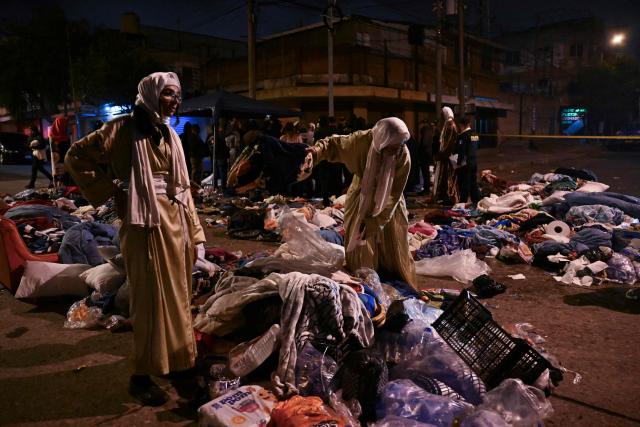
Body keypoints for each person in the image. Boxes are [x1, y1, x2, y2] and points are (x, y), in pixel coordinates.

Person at [65, 72, 205, 406]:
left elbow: (182, 189)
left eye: (177, 95)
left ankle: (180, 366)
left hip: (177, 224)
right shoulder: (122, 129)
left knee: (179, 297)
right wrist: (112, 192)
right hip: (144, 226)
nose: (175, 100)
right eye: (169, 94)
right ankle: (140, 376)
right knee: (149, 302)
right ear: (151, 94)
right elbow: (75, 156)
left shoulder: (171, 134)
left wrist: (196, 232)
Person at [307, 117, 417, 288]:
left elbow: (394, 194)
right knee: (360, 245)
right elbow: (333, 144)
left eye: (400, 146)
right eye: (392, 147)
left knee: (393, 245)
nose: (396, 151)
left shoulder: (402, 155)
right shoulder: (360, 142)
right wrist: (315, 152)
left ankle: (392, 282)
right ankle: (364, 283)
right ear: (383, 139)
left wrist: (375, 221)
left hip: (390, 205)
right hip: (361, 197)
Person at [433, 107, 459, 205]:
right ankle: (444, 196)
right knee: (445, 177)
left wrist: (442, 154)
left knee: (447, 178)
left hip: (447, 158)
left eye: (442, 114)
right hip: (446, 156)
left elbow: (449, 143)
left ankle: (447, 197)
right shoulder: (448, 124)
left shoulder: (449, 125)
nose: (441, 116)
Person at [455, 115, 482, 205]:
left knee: (464, 184)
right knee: (473, 183)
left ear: (461, 125)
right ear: (469, 123)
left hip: (465, 164)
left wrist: (458, 163)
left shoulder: (463, 136)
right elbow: (476, 147)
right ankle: (476, 200)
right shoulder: (475, 134)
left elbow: (462, 151)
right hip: (474, 162)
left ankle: (462, 202)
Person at [416, 120, 435, 196]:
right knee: (425, 173)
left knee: (425, 173)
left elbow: (424, 143)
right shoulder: (428, 131)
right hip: (426, 154)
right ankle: (426, 188)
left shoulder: (426, 131)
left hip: (425, 155)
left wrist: (420, 150)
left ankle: (426, 189)